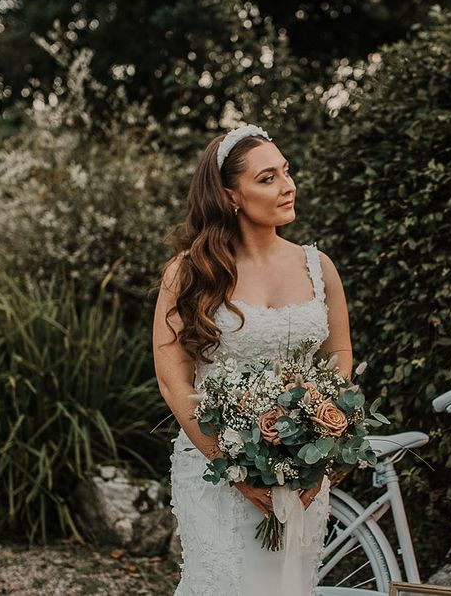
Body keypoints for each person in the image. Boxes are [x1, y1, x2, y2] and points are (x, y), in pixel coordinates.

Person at [151, 123, 353, 595]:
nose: (287, 185)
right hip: (215, 469)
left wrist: (320, 441)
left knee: (289, 586)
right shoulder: (188, 272)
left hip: (302, 468)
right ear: (230, 195)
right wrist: (231, 464)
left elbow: (339, 354)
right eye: (267, 178)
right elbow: (172, 378)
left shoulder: (317, 266)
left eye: (285, 171)